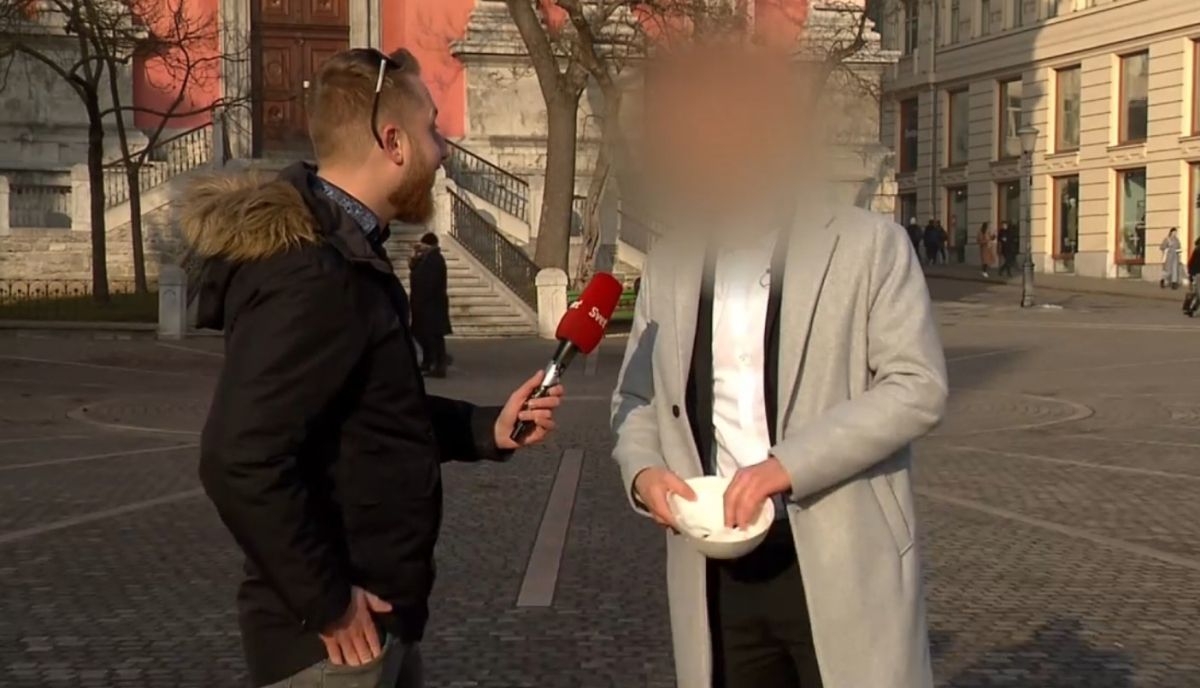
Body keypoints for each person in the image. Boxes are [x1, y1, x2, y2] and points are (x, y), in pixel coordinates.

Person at [184, 48, 564, 688]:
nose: (443, 150)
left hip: (377, 622)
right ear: (393, 142)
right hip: (329, 645)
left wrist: (484, 428)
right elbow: (237, 457)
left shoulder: (347, 251)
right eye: (432, 130)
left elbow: (369, 411)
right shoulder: (312, 273)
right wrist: (327, 602)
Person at [613, 46, 947, 688]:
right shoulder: (670, 262)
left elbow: (916, 386)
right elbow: (636, 398)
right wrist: (644, 473)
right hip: (714, 566)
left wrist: (785, 467)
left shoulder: (870, 245)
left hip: (840, 552)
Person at [409, 232, 452, 377]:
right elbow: (414, 270)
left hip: (431, 304)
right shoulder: (425, 258)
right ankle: (429, 362)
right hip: (423, 304)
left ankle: (438, 364)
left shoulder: (434, 259)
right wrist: (415, 255)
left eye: (423, 245)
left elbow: (430, 282)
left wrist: (423, 299)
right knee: (421, 333)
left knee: (433, 335)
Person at [1185, 238, 1200, 316]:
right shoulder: (1197, 250)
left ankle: (1190, 308)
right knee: (1197, 293)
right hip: (1197, 274)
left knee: (1196, 293)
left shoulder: (1196, 250)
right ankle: (1191, 309)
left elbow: (1190, 263)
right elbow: (1191, 263)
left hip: (1195, 274)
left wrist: (1190, 274)